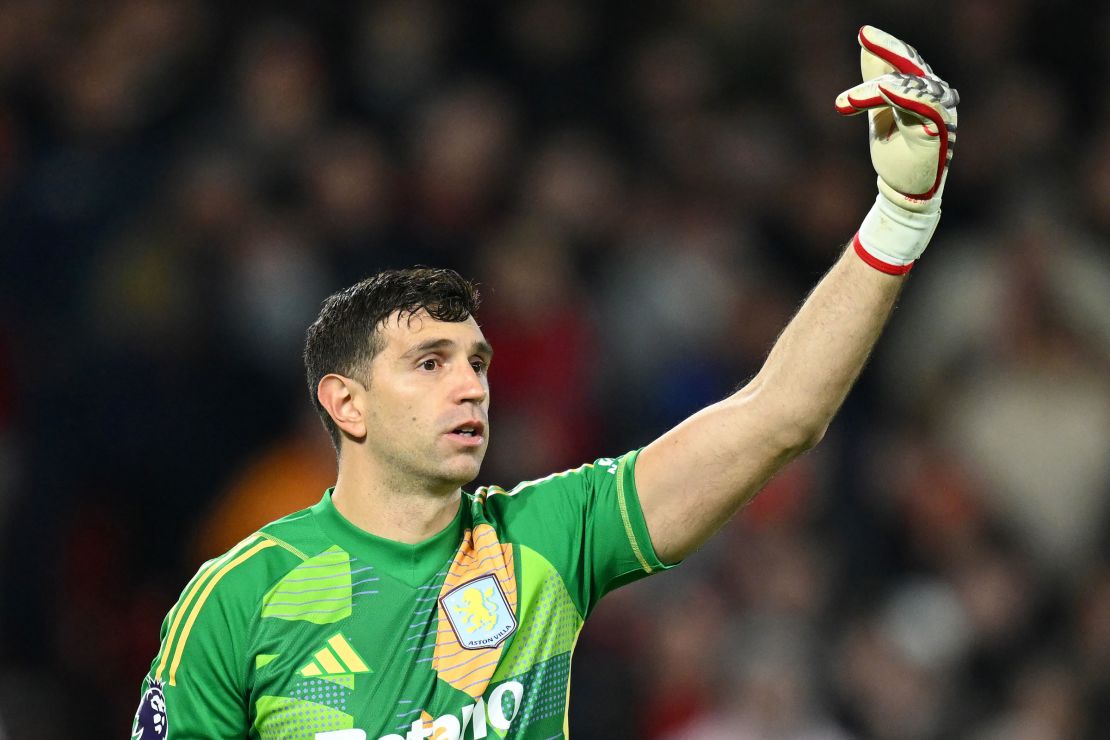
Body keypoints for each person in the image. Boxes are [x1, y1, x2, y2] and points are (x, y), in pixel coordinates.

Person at [133, 26, 958, 740]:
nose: (471, 386)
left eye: (479, 363)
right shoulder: (241, 596)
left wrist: (900, 213)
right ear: (346, 403)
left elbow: (780, 416)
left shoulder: (546, 539)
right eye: (430, 364)